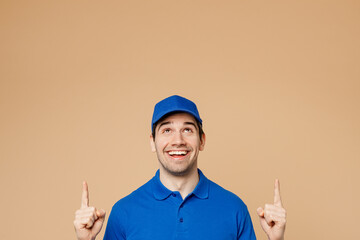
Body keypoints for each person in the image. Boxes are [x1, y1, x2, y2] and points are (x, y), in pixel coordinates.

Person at [73, 95, 286, 240]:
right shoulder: (124, 212)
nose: (178, 140)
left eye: (187, 130)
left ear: (201, 141)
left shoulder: (234, 209)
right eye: (167, 130)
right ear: (152, 141)